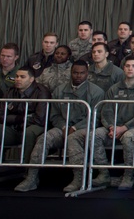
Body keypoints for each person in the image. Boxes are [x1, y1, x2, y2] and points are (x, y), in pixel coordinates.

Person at [15, 60, 103, 192]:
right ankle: (31, 177)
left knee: (73, 139)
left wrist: (74, 128)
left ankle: (79, 178)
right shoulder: (60, 90)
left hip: (83, 129)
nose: (78, 75)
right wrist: (63, 127)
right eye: (75, 72)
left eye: (82, 73)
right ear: (70, 72)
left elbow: (95, 117)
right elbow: (54, 114)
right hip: (62, 128)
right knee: (44, 139)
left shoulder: (96, 92)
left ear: (87, 74)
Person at [78, 55, 134, 192]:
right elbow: (106, 110)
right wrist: (111, 127)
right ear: (123, 68)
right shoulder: (114, 89)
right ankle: (103, 173)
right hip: (113, 128)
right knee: (94, 135)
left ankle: (128, 175)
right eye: (127, 66)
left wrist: (124, 128)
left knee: (128, 137)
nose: (130, 68)